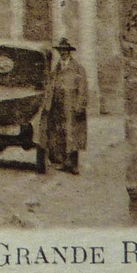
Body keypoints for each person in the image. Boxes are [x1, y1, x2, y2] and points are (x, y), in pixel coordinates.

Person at [47, 37, 89, 173]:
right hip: (58, 105)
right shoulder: (57, 68)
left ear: (69, 52)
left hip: (71, 105)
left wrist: (80, 106)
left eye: (65, 50)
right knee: (60, 133)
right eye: (61, 50)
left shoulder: (78, 69)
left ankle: (74, 165)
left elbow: (83, 89)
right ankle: (64, 162)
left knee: (73, 134)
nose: (63, 53)